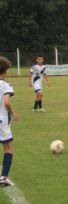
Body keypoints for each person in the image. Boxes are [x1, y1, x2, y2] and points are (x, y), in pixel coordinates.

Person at [0, 56, 19, 186]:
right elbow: (6, 102)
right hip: (2, 121)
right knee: (8, 149)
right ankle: (3, 178)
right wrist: (13, 113)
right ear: (5, 71)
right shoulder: (6, 85)